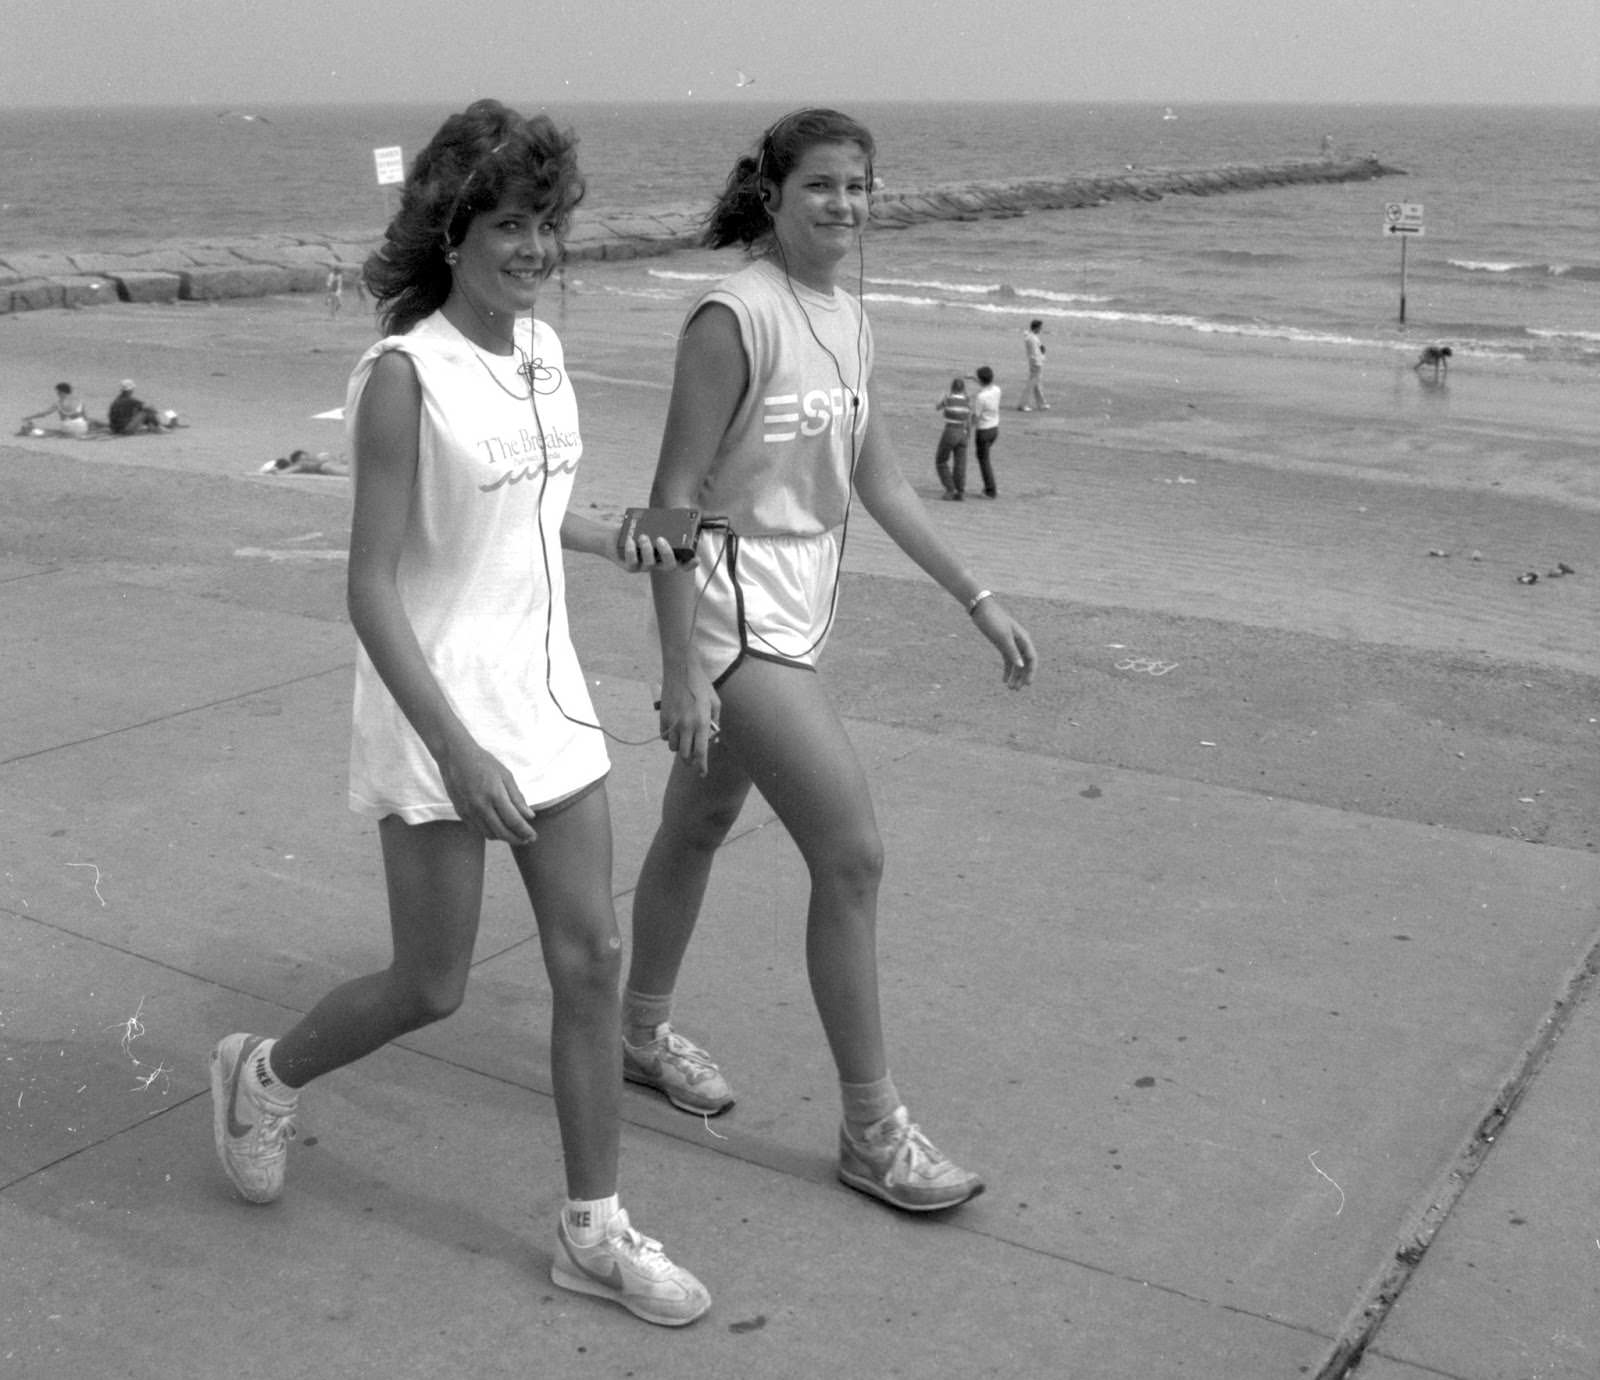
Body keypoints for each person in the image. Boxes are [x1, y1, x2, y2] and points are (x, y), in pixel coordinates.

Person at [208, 98, 710, 1328]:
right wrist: (455, 748)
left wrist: (618, 538)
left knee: (591, 959)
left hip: (543, 699)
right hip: (439, 708)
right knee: (432, 986)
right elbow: (370, 590)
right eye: (506, 224)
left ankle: (591, 1228)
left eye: (547, 223)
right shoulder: (403, 378)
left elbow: (533, 516)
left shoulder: (539, 351)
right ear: (451, 233)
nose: (534, 249)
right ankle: (263, 1075)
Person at [621, 108, 1037, 1213]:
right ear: (772, 192)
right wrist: (679, 670)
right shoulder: (731, 317)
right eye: (820, 185)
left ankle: (640, 1030)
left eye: (858, 186)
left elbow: (882, 483)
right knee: (850, 855)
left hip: (803, 600)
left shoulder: (850, 319)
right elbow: (669, 504)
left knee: (698, 824)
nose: (842, 205)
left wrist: (976, 597)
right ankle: (871, 1130)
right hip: (730, 604)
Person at [932, 376, 972, 499]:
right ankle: (960, 490)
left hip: (950, 431)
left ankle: (950, 488)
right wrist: (968, 433)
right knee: (960, 463)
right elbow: (969, 419)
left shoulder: (948, 400)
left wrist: (942, 396)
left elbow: (937, 407)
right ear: (963, 389)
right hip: (963, 432)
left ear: (952, 388)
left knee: (941, 460)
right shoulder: (967, 401)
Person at [971, 365, 1002, 497]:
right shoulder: (997, 390)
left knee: (984, 460)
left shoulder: (981, 397)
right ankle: (990, 487)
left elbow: (976, 417)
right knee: (984, 458)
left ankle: (990, 489)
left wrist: (968, 427)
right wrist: (973, 378)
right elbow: (986, 385)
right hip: (994, 428)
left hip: (983, 430)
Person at [20, 382, 91, 437]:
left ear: (61, 392)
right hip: (82, 427)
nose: (57, 394)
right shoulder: (79, 401)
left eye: (58, 392)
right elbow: (85, 417)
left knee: (56, 433)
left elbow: (44, 414)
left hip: (68, 427)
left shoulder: (58, 403)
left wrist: (28, 417)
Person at [107, 380, 175, 435]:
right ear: (130, 390)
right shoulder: (130, 400)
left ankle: (152, 426)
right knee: (146, 411)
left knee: (140, 411)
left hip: (114, 429)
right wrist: (159, 413)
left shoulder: (116, 400)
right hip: (125, 430)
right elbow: (149, 408)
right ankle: (158, 427)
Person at [1018, 319, 1049, 411]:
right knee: (1031, 384)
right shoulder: (1031, 338)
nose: (1041, 329)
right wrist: (1039, 362)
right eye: (1040, 328)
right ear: (1036, 328)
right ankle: (1023, 404)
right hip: (1036, 363)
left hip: (1036, 362)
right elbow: (1034, 352)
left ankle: (1042, 403)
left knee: (1037, 384)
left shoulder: (1032, 337)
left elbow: (1040, 348)